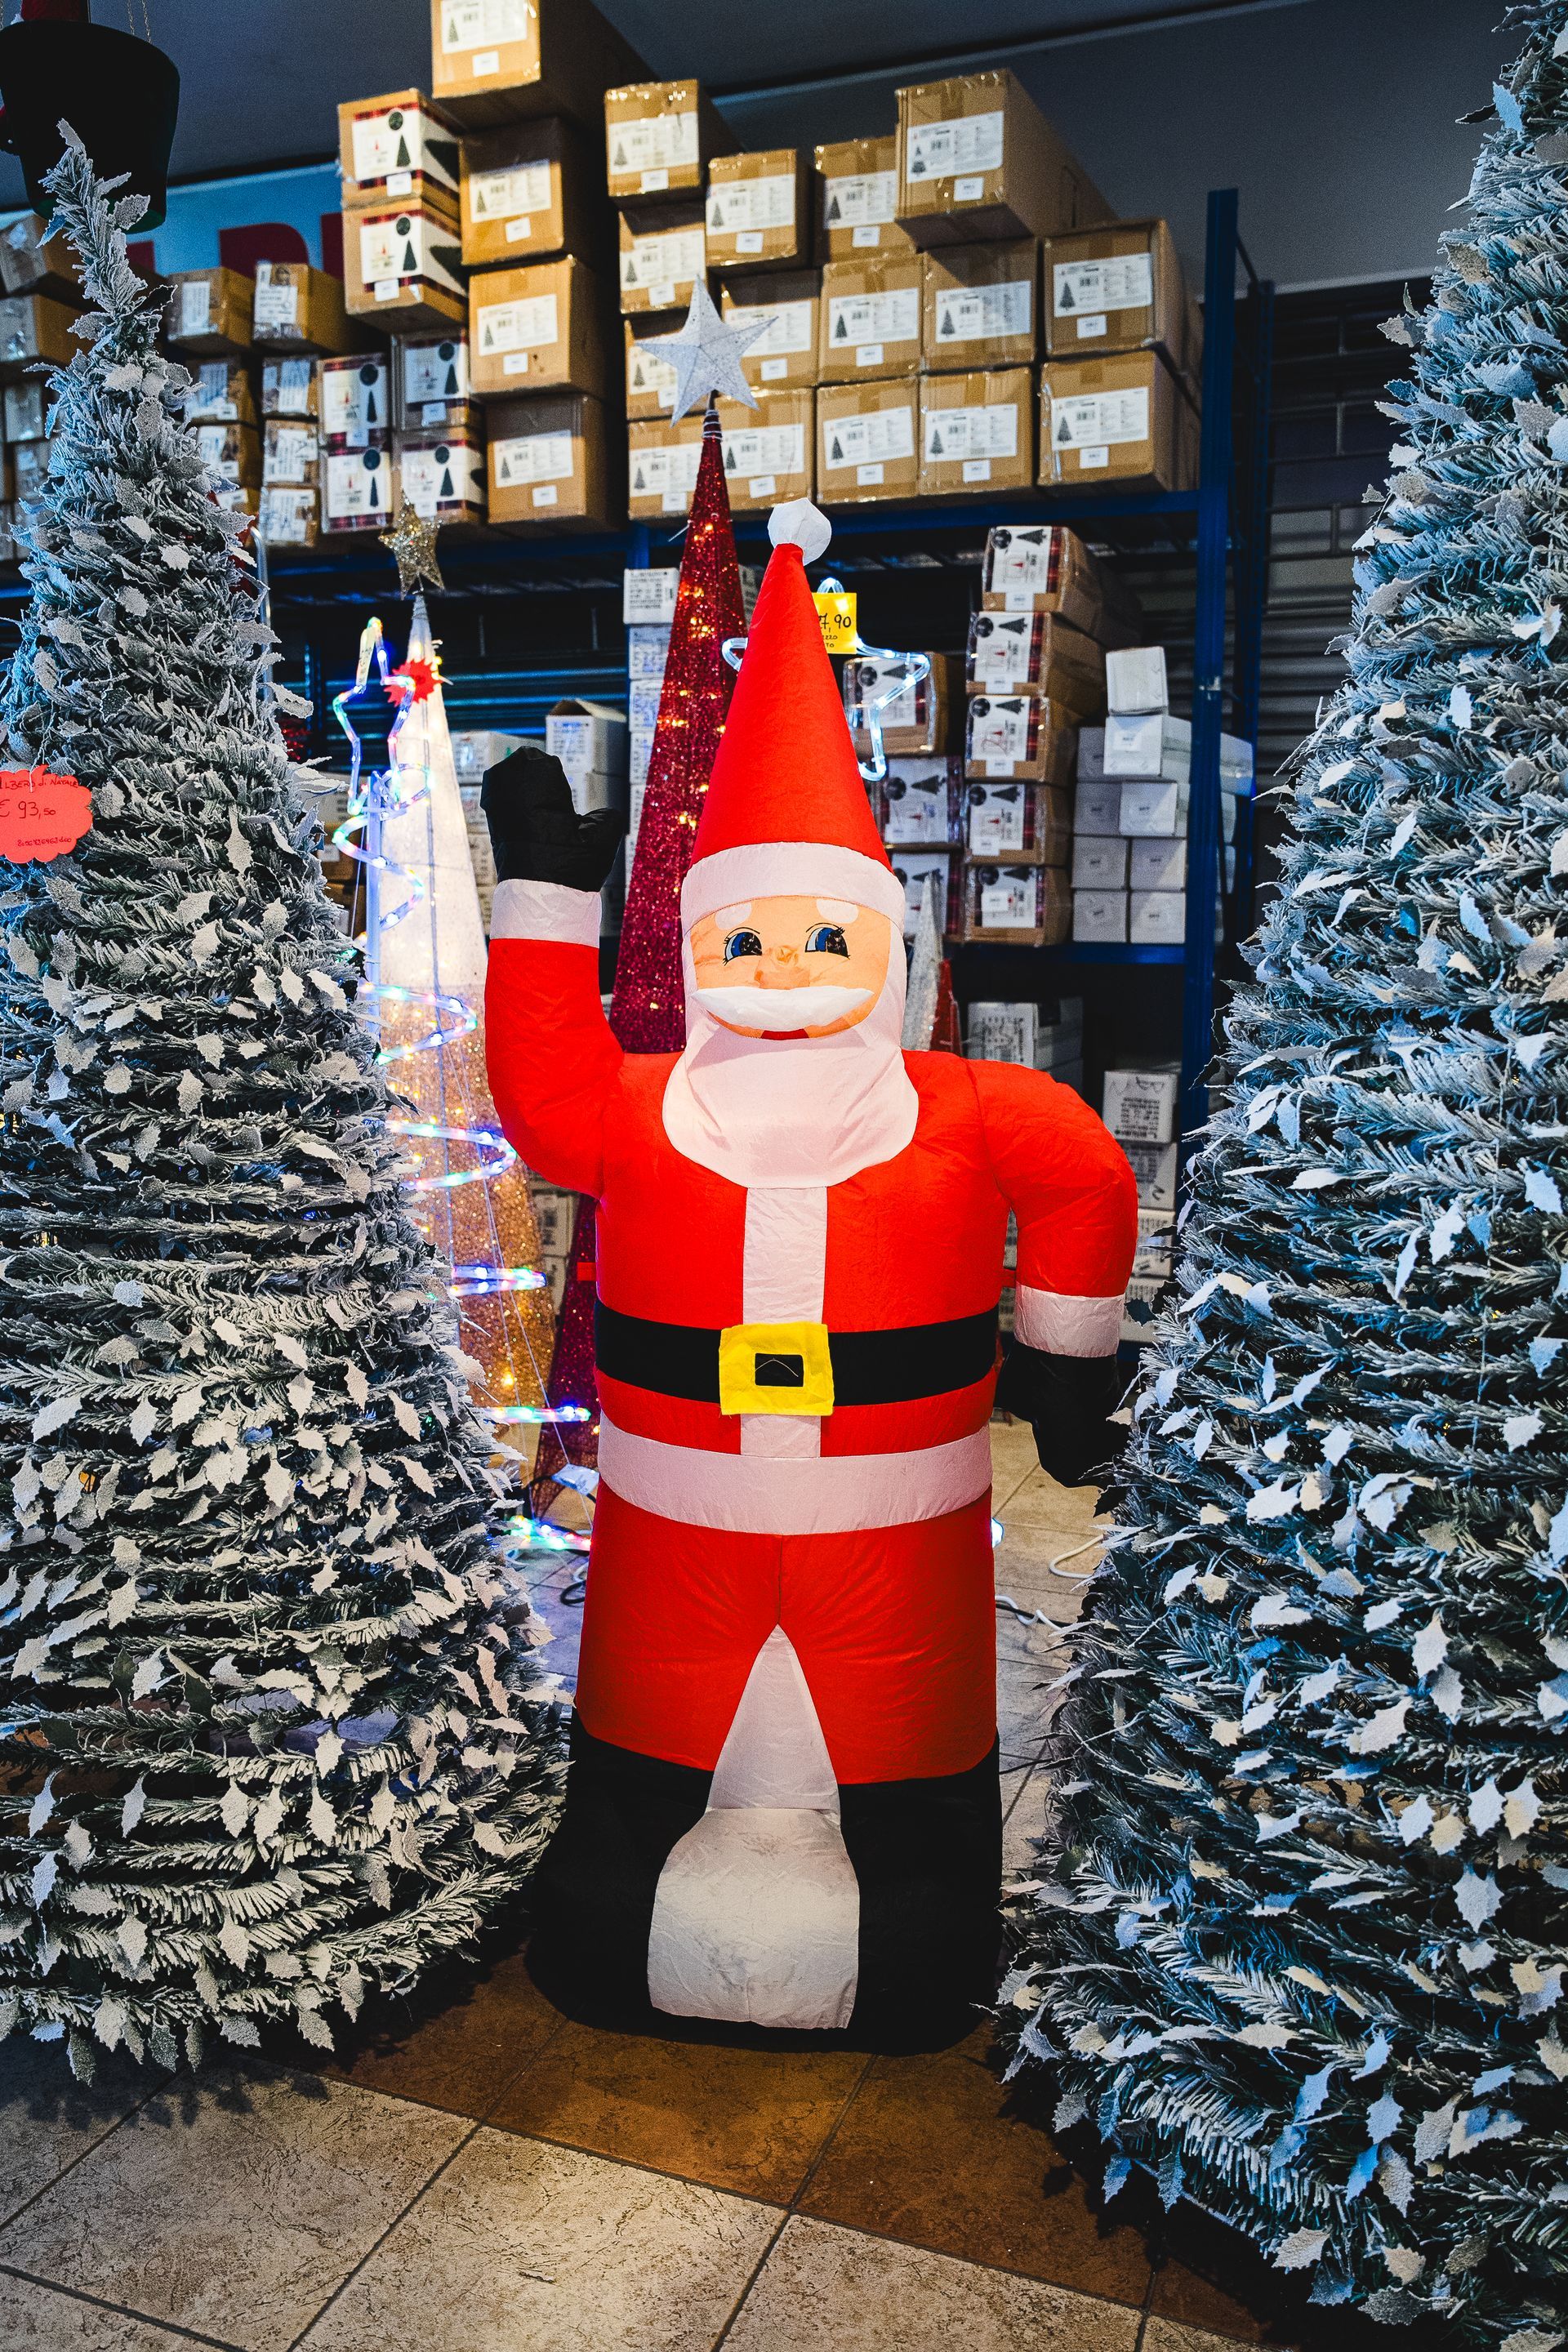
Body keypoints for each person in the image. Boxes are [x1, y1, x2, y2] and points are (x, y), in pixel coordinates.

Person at [483, 500, 1138, 2047]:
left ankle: (910, 1957)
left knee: (897, 1737)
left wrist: (1064, 1369)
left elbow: (1089, 1175)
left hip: (890, 1514)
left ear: (886, 948)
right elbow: (542, 1092)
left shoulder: (965, 1104)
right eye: (748, 943)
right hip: (675, 1505)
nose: (779, 977)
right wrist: (545, 912)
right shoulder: (641, 1104)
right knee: (654, 1720)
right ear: (707, 949)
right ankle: (618, 1934)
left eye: (820, 941)